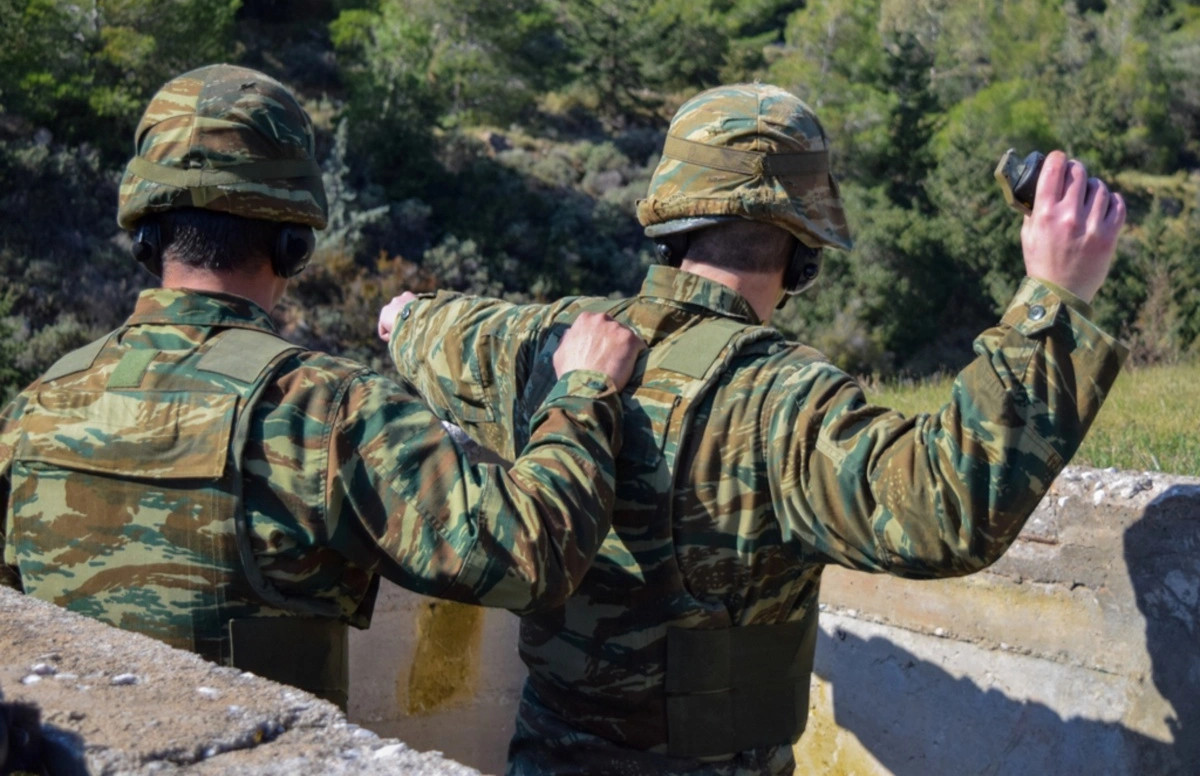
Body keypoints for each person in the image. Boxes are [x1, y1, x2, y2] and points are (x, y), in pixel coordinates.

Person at [376, 83, 1128, 775]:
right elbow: (946, 506)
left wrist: (405, 317)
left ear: (670, 225)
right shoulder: (789, 402)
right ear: (803, 255)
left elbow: (435, 327)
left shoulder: (549, 345)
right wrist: (1055, 299)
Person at [0, 63, 644, 711]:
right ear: (293, 244)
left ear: (146, 236)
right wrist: (582, 390)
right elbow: (532, 558)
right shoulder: (327, 410)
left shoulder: (36, 406)